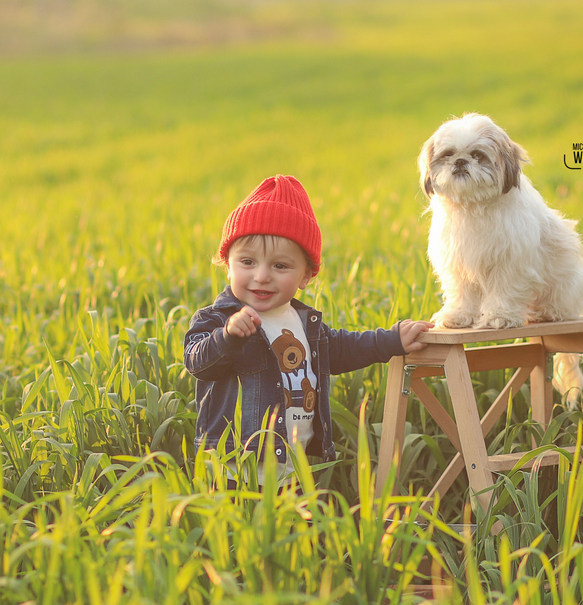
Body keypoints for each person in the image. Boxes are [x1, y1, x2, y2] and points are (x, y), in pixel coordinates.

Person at [184, 174, 433, 481]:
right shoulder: (216, 320)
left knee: (295, 528)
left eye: (280, 266)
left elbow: (344, 349)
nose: (262, 276)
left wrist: (393, 340)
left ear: (306, 277)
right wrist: (227, 337)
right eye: (247, 262)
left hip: (292, 470)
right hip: (235, 470)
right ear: (227, 264)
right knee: (242, 530)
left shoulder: (303, 324)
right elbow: (197, 362)